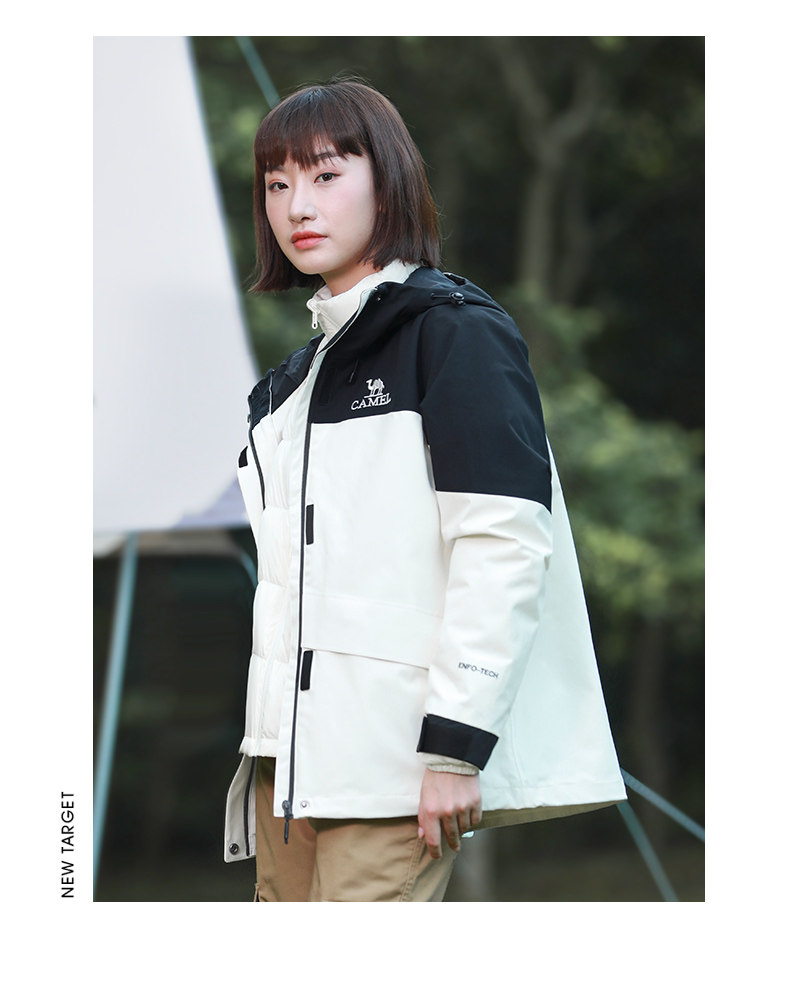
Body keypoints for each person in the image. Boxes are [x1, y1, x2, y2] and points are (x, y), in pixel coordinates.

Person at [223, 78, 626, 902]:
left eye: (326, 175)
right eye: (277, 183)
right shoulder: (291, 385)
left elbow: (503, 543)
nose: (299, 205)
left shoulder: (455, 333)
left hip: (395, 771)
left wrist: (454, 748)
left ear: (388, 180)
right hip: (282, 770)